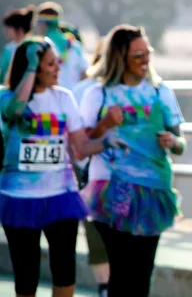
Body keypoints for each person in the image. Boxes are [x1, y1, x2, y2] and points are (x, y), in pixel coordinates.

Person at [0, 37, 125, 297]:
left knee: (65, 270)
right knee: (26, 275)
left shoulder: (64, 97)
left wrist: (106, 141)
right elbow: (13, 112)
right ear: (32, 66)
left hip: (61, 196)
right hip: (19, 198)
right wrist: (32, 67)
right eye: (50, 63)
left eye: (58, 62)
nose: (58, 68)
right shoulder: (6, 98)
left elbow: (80, 146)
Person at [79, 24, 186, 296]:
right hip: (112, 191)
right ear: (119, 57)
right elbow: (80, 149)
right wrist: (103, 126)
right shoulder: (97, 94)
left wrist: (173, 142)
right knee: (122, 272)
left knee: (142, 273)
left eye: (146, 52)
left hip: (153, 191)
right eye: (137, 54)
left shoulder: (161, 92)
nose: (145, 59)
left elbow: (181, 144)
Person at [71, 37, 110, 297]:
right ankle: (105, 287)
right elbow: (76, 141)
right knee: (96, 234)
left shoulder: (143, 89)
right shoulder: (85, 90)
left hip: (128, 179)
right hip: (89, 174)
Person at [35, 1, 88, 90]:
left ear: (43, 24)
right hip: (74, 100)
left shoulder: (41, 46)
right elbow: (84, 75)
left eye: (38, 24)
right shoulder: (75, 45)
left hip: (51, 99)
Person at [1, 6, 34, 84]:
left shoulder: (33, 46)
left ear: (20, 29)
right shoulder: (8, 48)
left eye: (9, 28)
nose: (6, 31)